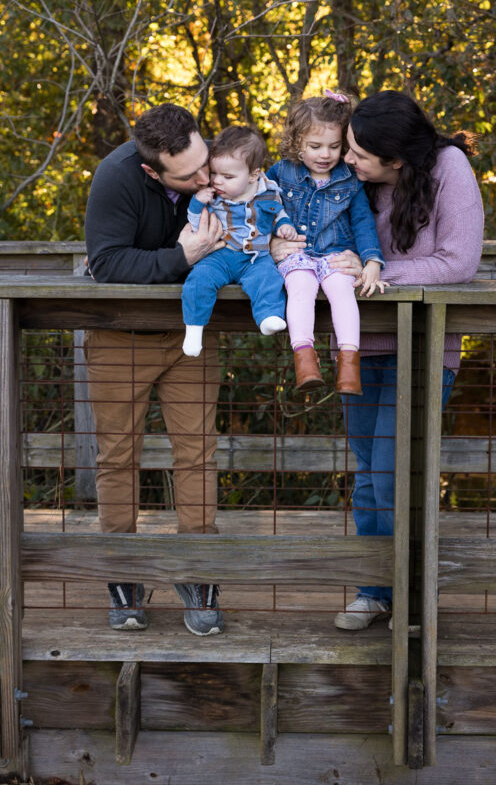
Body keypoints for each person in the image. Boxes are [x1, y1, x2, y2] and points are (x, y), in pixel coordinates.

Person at [271, 89, 484, 630]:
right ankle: (375, 589)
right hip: (362, 344)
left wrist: (375, 272)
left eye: (359, 154)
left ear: (397, 160)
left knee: (394, 474)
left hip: (423, 345)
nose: (347, 159)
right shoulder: (348, 182)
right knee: (367, 473)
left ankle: (413, 594)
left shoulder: (448, 168)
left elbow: (458, 262)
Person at [84, 103, 226, 637]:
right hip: (121, 337)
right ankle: (123, 580)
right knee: (118, 455)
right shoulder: (116, 178)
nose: (204, 177)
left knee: (198, 453)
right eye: (188, 176)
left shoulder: (213, 167)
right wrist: (182, 258)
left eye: (204, 163)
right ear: (152, 171)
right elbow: (109, 263)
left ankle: (200, 574)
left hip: (192, 333)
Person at [266, 91, 386, 396]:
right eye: (315, 146)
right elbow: (258, 207)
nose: (325, 154)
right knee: (300, 289)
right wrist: (268, 241)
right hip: (298, 254)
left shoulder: (350, 179)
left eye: (334, 147)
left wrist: (372, 261)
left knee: (342, 292)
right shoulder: (281, 173)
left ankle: (348, 365)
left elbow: (362, 223)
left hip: (336, 255)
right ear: (297, 144)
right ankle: (305, 360)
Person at [181, 126, 297, 358]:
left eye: (228, 177)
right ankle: (194, 329)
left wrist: (284, 225)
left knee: (269, 279)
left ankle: (268, 317)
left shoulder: (268, 191)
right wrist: (196, 203)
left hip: (255, 258)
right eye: (214, 174)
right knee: (198, 280)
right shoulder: (211, 196)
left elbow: (278, 213)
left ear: (253, 175)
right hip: (220, 256)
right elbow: (194, 222)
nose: (217, 181)